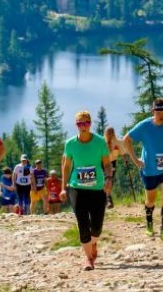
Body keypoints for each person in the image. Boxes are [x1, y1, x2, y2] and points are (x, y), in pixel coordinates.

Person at [121, 98, 163, 242]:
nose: (161, 114)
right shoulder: (144, 126)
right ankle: (149, 224)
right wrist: (135, 160)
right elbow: (126, 139)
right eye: (158, 111)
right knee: (150, 200)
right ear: (153, 111)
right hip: (149, 168)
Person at [60, 110, 112, 271]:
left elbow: (107, 163)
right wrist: (63, 188)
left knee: (96, 227)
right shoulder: (70, 144)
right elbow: (66, 167)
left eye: (86, 123)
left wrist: (109, 179)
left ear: (90, 124)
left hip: (97, 188)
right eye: (80, 124)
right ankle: (89, 259)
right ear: (76, 125)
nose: (83, 126)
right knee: (82, 223)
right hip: (77, 188)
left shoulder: (100, 142)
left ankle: (93, 243)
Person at [104, 127, 121, 209]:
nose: (109, 135)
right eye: (108, 133)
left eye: (111, 133)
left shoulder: (116, 142)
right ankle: (107, 200)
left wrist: (125, 157)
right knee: (104, 182)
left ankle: (108, 200)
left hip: (112, 163)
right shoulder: (102, 142)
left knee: (109, 181)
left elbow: (119, 153)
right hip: (103, 163)